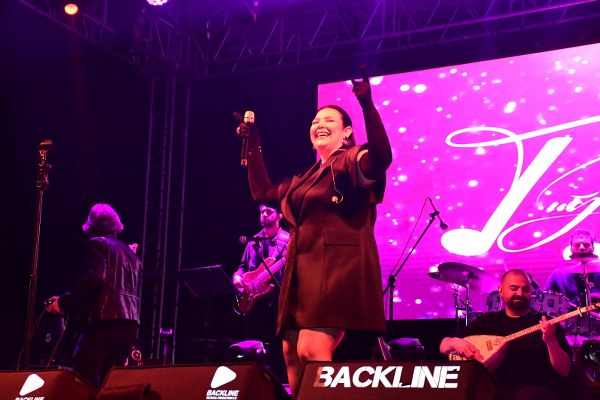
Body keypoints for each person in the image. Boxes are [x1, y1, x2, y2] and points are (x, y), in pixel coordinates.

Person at [236, 66, 392, 394]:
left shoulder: (352, 160)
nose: (319, 124)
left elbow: (381, 158)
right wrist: (254, 144)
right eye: (315, 121)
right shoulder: (304, 179)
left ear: (346, 132)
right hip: (301, 272)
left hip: (335, 269)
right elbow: (262, 192)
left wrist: (367, 105)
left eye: (329, 120)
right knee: (292, 353)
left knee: (312, 347)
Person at [439, 269, 589, 400]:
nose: (520, 293)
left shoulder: (547, 323)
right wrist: (454, 342)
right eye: (514, 288)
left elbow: (564, 370)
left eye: (525, 289)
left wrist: (550, 340)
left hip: (534, 392)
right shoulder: (488, 321)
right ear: (500, 290)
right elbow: (443, 346)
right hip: (495, 391)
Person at [46, 203, 141, 388]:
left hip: (104, 322)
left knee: (82, 380)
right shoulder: (131, 254)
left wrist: (63, 303)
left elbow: (94, 278)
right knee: (110, 386)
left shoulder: (97, 243)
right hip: (129, 326)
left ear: (92, 225)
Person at [232, 204, 289, 382]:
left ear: (279, 216)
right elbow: (242, 267)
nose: (263, 215)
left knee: (279, 351)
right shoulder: (252, 241)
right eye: (261, 212)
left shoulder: (288, 240)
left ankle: (279, 387)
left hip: (278, 302)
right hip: (254, 303)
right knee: (252, 349)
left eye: (268, 211)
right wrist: (237, 277)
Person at [545, 229, 599, 306]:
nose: (582, 247)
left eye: (586, 244)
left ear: (593, 248)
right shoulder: (558, 273)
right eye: (577, 245)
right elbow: (546, 299)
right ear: (570, 248)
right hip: (569, 313)